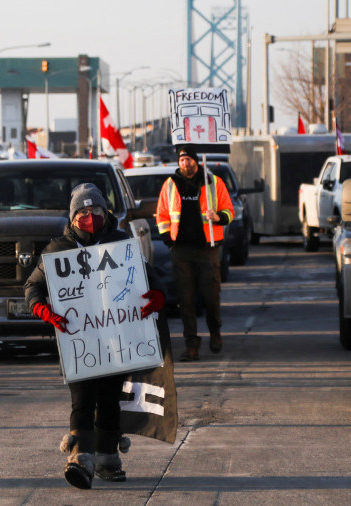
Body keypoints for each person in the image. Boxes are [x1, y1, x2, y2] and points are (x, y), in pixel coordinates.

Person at [24, 183, 165, 489]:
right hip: (79, 343)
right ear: (72, 217)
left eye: (96, 211)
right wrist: (43, 310)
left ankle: (108, 459)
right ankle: (80, 459)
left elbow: (150, 277)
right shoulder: (57, 251)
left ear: (106, 212)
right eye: (83, 213)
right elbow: (32, 288)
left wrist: (157, 295)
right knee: (83, 400)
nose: (89, 217)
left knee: (110, 400)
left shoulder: (121, 243)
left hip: (117, 342)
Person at [156, 144, 234, 361]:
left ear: (196, 161)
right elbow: (162, 215)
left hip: (207, 249)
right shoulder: (170, 185)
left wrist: (218, 216)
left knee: (211, 297)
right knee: (186, 300)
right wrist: (167, 239)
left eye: (188, 160)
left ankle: (215, 332)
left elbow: (229, 210)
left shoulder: (213, 182)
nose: (185, 163)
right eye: (181, 160)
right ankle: (192, 346)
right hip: (181, 251)